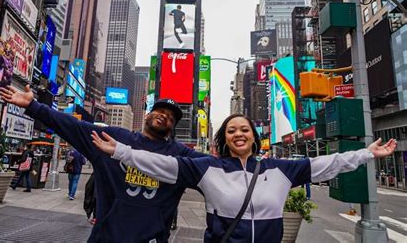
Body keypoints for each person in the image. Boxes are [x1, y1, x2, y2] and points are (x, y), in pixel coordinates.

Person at [91, 114, 397, 242]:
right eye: (231, 130)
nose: (238, 134)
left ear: (254, 136)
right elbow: (161, 164)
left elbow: (327, 164)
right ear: (225, 138)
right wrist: (121, 151)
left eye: (245, 129)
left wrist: (367, 153)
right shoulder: (206, 168)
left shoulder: (279, 169)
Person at [0, 85, 207, 242]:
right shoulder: (114, 137)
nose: (165, 116)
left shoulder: (181, 155)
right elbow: (74, 126)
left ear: (172, 128)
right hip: (106, 237)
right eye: (160, 111)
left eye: (171, 117)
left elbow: (218, 168)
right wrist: (33, 106)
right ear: (147, 115)